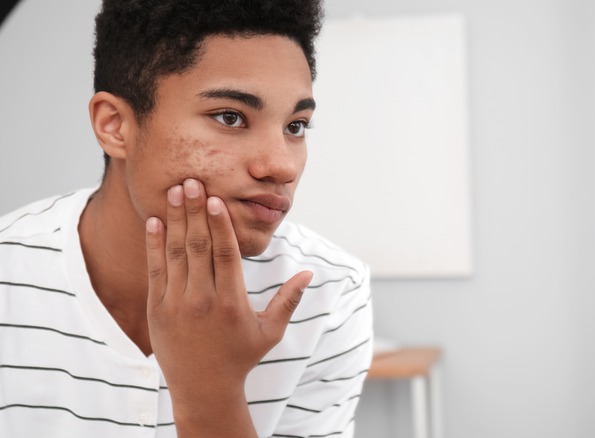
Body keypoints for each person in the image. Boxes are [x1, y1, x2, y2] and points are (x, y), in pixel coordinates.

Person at [0, 1, 373, 437]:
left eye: (296, 126)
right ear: (115, 125)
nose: (282, 166)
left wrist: (210, 389)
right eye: (230, 117)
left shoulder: (326, 293)